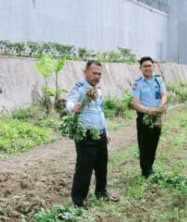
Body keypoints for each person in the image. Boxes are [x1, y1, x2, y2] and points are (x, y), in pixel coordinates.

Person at [66, 60, 119, 207]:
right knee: (84, 168)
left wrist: (106, 131)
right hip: (86, 135)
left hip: (99, 134)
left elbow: (100, 111)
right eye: (94, 73)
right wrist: (74, 107)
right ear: (86, 72)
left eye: (99, 74)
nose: (97, 76)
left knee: (102, 166)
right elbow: (69, 102)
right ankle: (78, 201)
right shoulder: (80, 88)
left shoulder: (99, 90)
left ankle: (101, 192)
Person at [131, 56, 168, 178]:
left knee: (154, 143)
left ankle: (150, 168)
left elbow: (164, 95)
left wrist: (161, 107)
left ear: (153, 67)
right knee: (144, 144)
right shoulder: (137, 84)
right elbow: (135, 104)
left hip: (156, 117)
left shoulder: (158, 80)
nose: (147, 68)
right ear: (140, 68)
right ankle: (145, 170)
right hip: (144, 117)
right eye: (145, 66)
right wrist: (148, 111)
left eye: (149, 66)